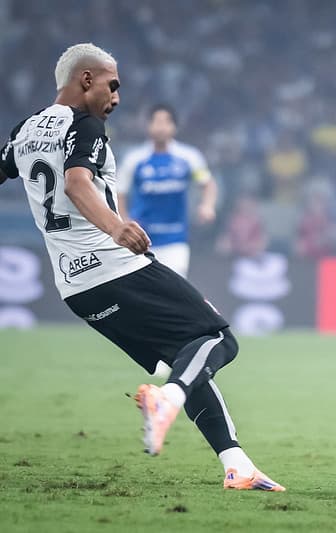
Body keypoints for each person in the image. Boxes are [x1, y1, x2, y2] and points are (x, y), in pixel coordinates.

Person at [0, 43, 284, 492]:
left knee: (186, 360)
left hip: (75, 288)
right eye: (112, 85)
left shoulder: (24, 131)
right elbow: (77, 184)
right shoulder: (85, 124)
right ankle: (166, 400)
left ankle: (238, 465)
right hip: (114, 266)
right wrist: (116, 227)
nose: (116, 97)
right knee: (218, 340)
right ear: (86, 79)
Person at [116, 104, 217, 279]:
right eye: (156, 121)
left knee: (174, 285)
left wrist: (207, 206)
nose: (161, 127)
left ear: (174, 126)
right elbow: (119, 191)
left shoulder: (189, 157)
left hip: (175, 239)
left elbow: (207, 183)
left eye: (166, 122)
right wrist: (123, 221)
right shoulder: (135, 159)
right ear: (148, 125)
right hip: (141, 240)